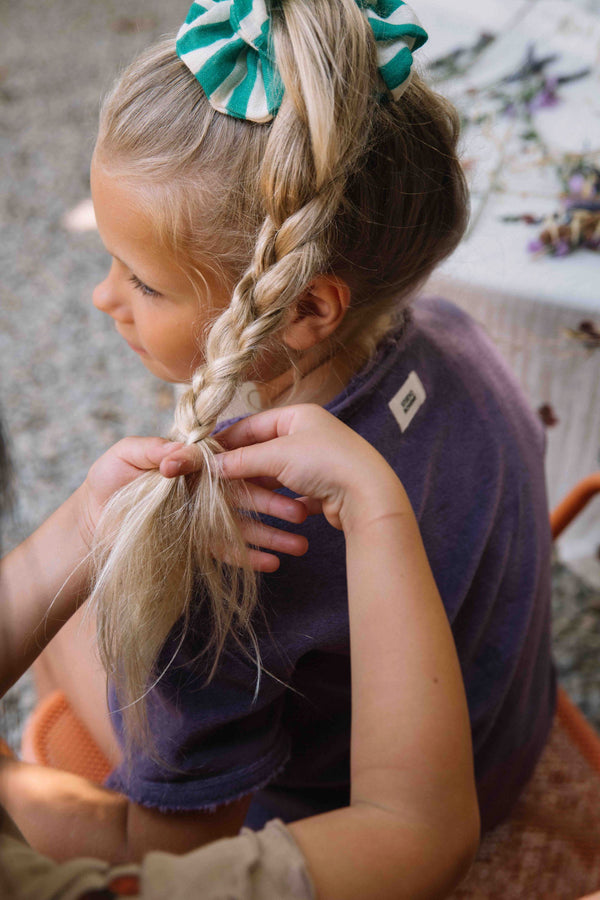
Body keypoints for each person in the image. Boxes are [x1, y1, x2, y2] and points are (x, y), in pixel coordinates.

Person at [1, 0, 554, 864]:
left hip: (345, 828)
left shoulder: (232, 556)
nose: (102, 299)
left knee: (72, 615)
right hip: (496, 747)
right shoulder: (454, 335)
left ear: (305, 308)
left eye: (143, 282)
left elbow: (175, 848)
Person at [0, 406, 480, 899]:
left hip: (282, 808)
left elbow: (161, 850)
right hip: (486, 756)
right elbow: (418, 837)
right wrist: (374, 508)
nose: (113, 320)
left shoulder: (215, 604)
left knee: (63, 624)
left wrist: (88, 517)